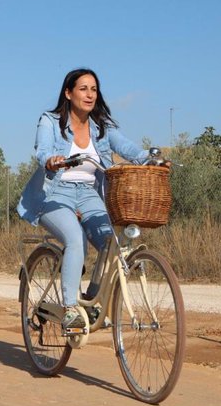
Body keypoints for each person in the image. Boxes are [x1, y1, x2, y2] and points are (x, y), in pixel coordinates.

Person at [17, 68, 149, 331]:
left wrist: (150, 159)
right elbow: (42, 150)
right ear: (68, 93)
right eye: (83, 89)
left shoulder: (101, 126)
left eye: (94, 89)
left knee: (111, 245)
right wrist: (51, 161)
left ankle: (91, 300)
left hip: (89, 194)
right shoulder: (51, 121)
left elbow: (127, 148)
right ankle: (68, 308)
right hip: (54, 194)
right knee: (75, 239)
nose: (90, 94)